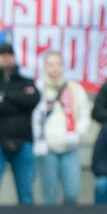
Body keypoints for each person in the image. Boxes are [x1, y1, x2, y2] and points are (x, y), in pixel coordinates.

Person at [0, 43, 38, 206]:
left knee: (26, 196)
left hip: (23, 142)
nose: (5, 58)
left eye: (9, 54)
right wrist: (19, 99)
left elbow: (33, 100)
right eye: (1, 55)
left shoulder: (26, 81)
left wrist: (3, 96)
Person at [33, 51, 92, 205]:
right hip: (46, 148)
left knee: (72, 193)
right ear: (44, 67)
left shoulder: (74, 88)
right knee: (49, 195)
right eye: (50, 64)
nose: (55, 68)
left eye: (58, 64)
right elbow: (33, 118)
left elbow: (84, 114)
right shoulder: (37, 89)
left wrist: (78, 133)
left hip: (70, 147)